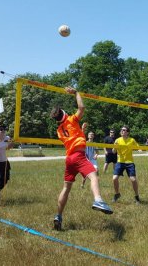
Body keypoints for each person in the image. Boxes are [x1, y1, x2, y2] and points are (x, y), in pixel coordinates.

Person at [50, 87, 112, 231]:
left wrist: (81, 131)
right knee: (94, 176)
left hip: (69, 159)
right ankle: (98, 200)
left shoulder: (59, 131)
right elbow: (82, 107)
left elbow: (74, 137)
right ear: (65, 114)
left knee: (66, 188)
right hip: (78, 157)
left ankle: (58, 216)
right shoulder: (71, 119)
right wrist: (76, 92)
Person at [112, 125, 141, 204]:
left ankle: (137, 196)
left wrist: (139, 150)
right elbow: (114, 152)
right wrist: (115, 146)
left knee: (133, 179)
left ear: (127, 132)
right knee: (114, 178)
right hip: (120, 161)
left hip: (129, 162)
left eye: (124, 130)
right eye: (121, 130)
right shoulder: (117, 140)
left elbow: (138, 147)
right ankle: (117, 194)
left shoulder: (132, 140)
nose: (122, 131)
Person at [81, 123, 99, 188]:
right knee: (85, 174)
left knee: (96, 171)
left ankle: (96, 183)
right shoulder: (85, 143)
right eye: (90, 134)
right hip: (86, 159)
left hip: (93, 159)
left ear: (93, 136)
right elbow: (82, 152)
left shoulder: (94, 144)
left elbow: (97, 152)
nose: (91, 135)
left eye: (92, 135)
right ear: (88, 136)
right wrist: (86, 158)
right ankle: (82, 184)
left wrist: (96, 155)